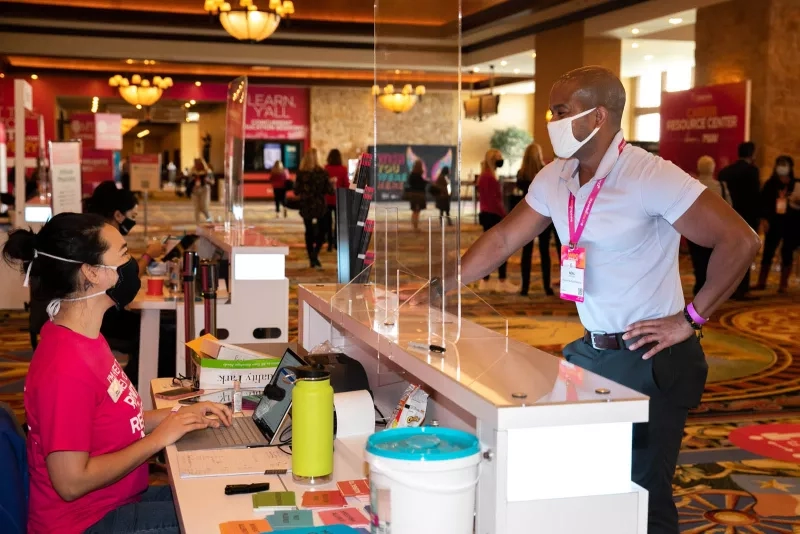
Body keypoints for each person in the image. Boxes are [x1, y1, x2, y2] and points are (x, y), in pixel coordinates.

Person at [443, 66, 759, 534]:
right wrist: (440, 286)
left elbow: (741, 240)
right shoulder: (557, 177)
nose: (550, 120)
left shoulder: (650, 175)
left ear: (598, 117)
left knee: (643, 496)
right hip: (590, 353)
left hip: (651, 357)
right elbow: (503, 238)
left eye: (561, 111)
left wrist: (690, 318)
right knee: (589, 486)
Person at [2, 212, 232, 534]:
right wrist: (160, 439)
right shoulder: (64, 366)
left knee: (221, 497)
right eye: (123, 254)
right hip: (86, 523)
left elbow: (112, 422)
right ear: (92, 273)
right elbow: (70, 481)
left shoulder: (86, 337)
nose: (131, 264)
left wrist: (179, 415)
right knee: (219, 521)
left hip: (116, 502)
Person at [718, 142, 761, 300]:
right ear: (752, 154)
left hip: (727, 217)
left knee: (727, 255)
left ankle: (726, 289)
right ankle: (742, 289)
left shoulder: (725, 172)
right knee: (745, 254)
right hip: (747, 218)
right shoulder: (752, 171)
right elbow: (756, 197)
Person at [517, 143, 560, 296]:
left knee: (526, 251)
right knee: (544, 251)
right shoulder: (544, 171)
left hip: (527, 216)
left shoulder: (521, 174)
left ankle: (524, 288)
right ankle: (547, 287)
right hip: (544, 215)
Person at [688, 156, 731, 295]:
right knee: (712, 261)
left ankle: (699, 286)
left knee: (698, 261)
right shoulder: (721, 187)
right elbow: (730, 209)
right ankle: (710, 289)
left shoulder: (690, 185)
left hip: (693, 230)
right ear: (713, 169)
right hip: (715, 231)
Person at [477, 149, 518, 293]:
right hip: (493, 215)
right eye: (499, 157)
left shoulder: (485, 175)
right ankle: (500, 280)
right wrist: (505, 216)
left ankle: (486, 280)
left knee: (490, 248)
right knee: (501, 248)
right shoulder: (489, 177)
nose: (501, 159)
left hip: (487, 214)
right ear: (492, 159)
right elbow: (495, 200)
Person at [755, 155, 797, 292]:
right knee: (768, 251)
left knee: (787, 252)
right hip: (774, 222)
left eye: (785, 164)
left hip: (791, 223)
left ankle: (783, 284)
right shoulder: (770, 183)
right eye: (780, 164)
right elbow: (762, 203)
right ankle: (761, 282)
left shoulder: (795, 184)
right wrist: (764, 219)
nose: (782, 167)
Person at [295, 149, 334, 269]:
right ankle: (315, 254)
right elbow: (329, 191)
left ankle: (312, 257)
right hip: (319, 205)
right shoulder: (322, 172)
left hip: (306, 205)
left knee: (308, 231)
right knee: (322, 232)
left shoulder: (301, 173)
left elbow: (296, 191)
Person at [324, 149, 349, 251]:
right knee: (338, 223)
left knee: (328, 223)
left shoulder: (325, 169)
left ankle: (329, 243)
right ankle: (336, 243)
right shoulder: (343, 169)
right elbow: (346, 185)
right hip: (339, 199)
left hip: (327, 199)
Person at [405, 159, 427, 232]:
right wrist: (425, 182)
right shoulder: (418, 175)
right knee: (417, 212)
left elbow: (411, 184)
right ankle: (415, 227)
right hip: (419, 196)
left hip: (413, 195)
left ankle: (414, 226)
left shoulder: (412, 174)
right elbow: (420, 185)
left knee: (415, 211)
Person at [189, 158, 211, 223]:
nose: (196, 165)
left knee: (204, 208)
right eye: (195, 163)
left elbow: (212, 181)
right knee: (196, 208)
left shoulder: (207, 171)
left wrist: (206, 180)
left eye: (198, 163)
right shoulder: (192, 171)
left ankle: (209, 221)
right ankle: (197, 224)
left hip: (204, 189)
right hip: (194, 190)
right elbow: (189, 181)